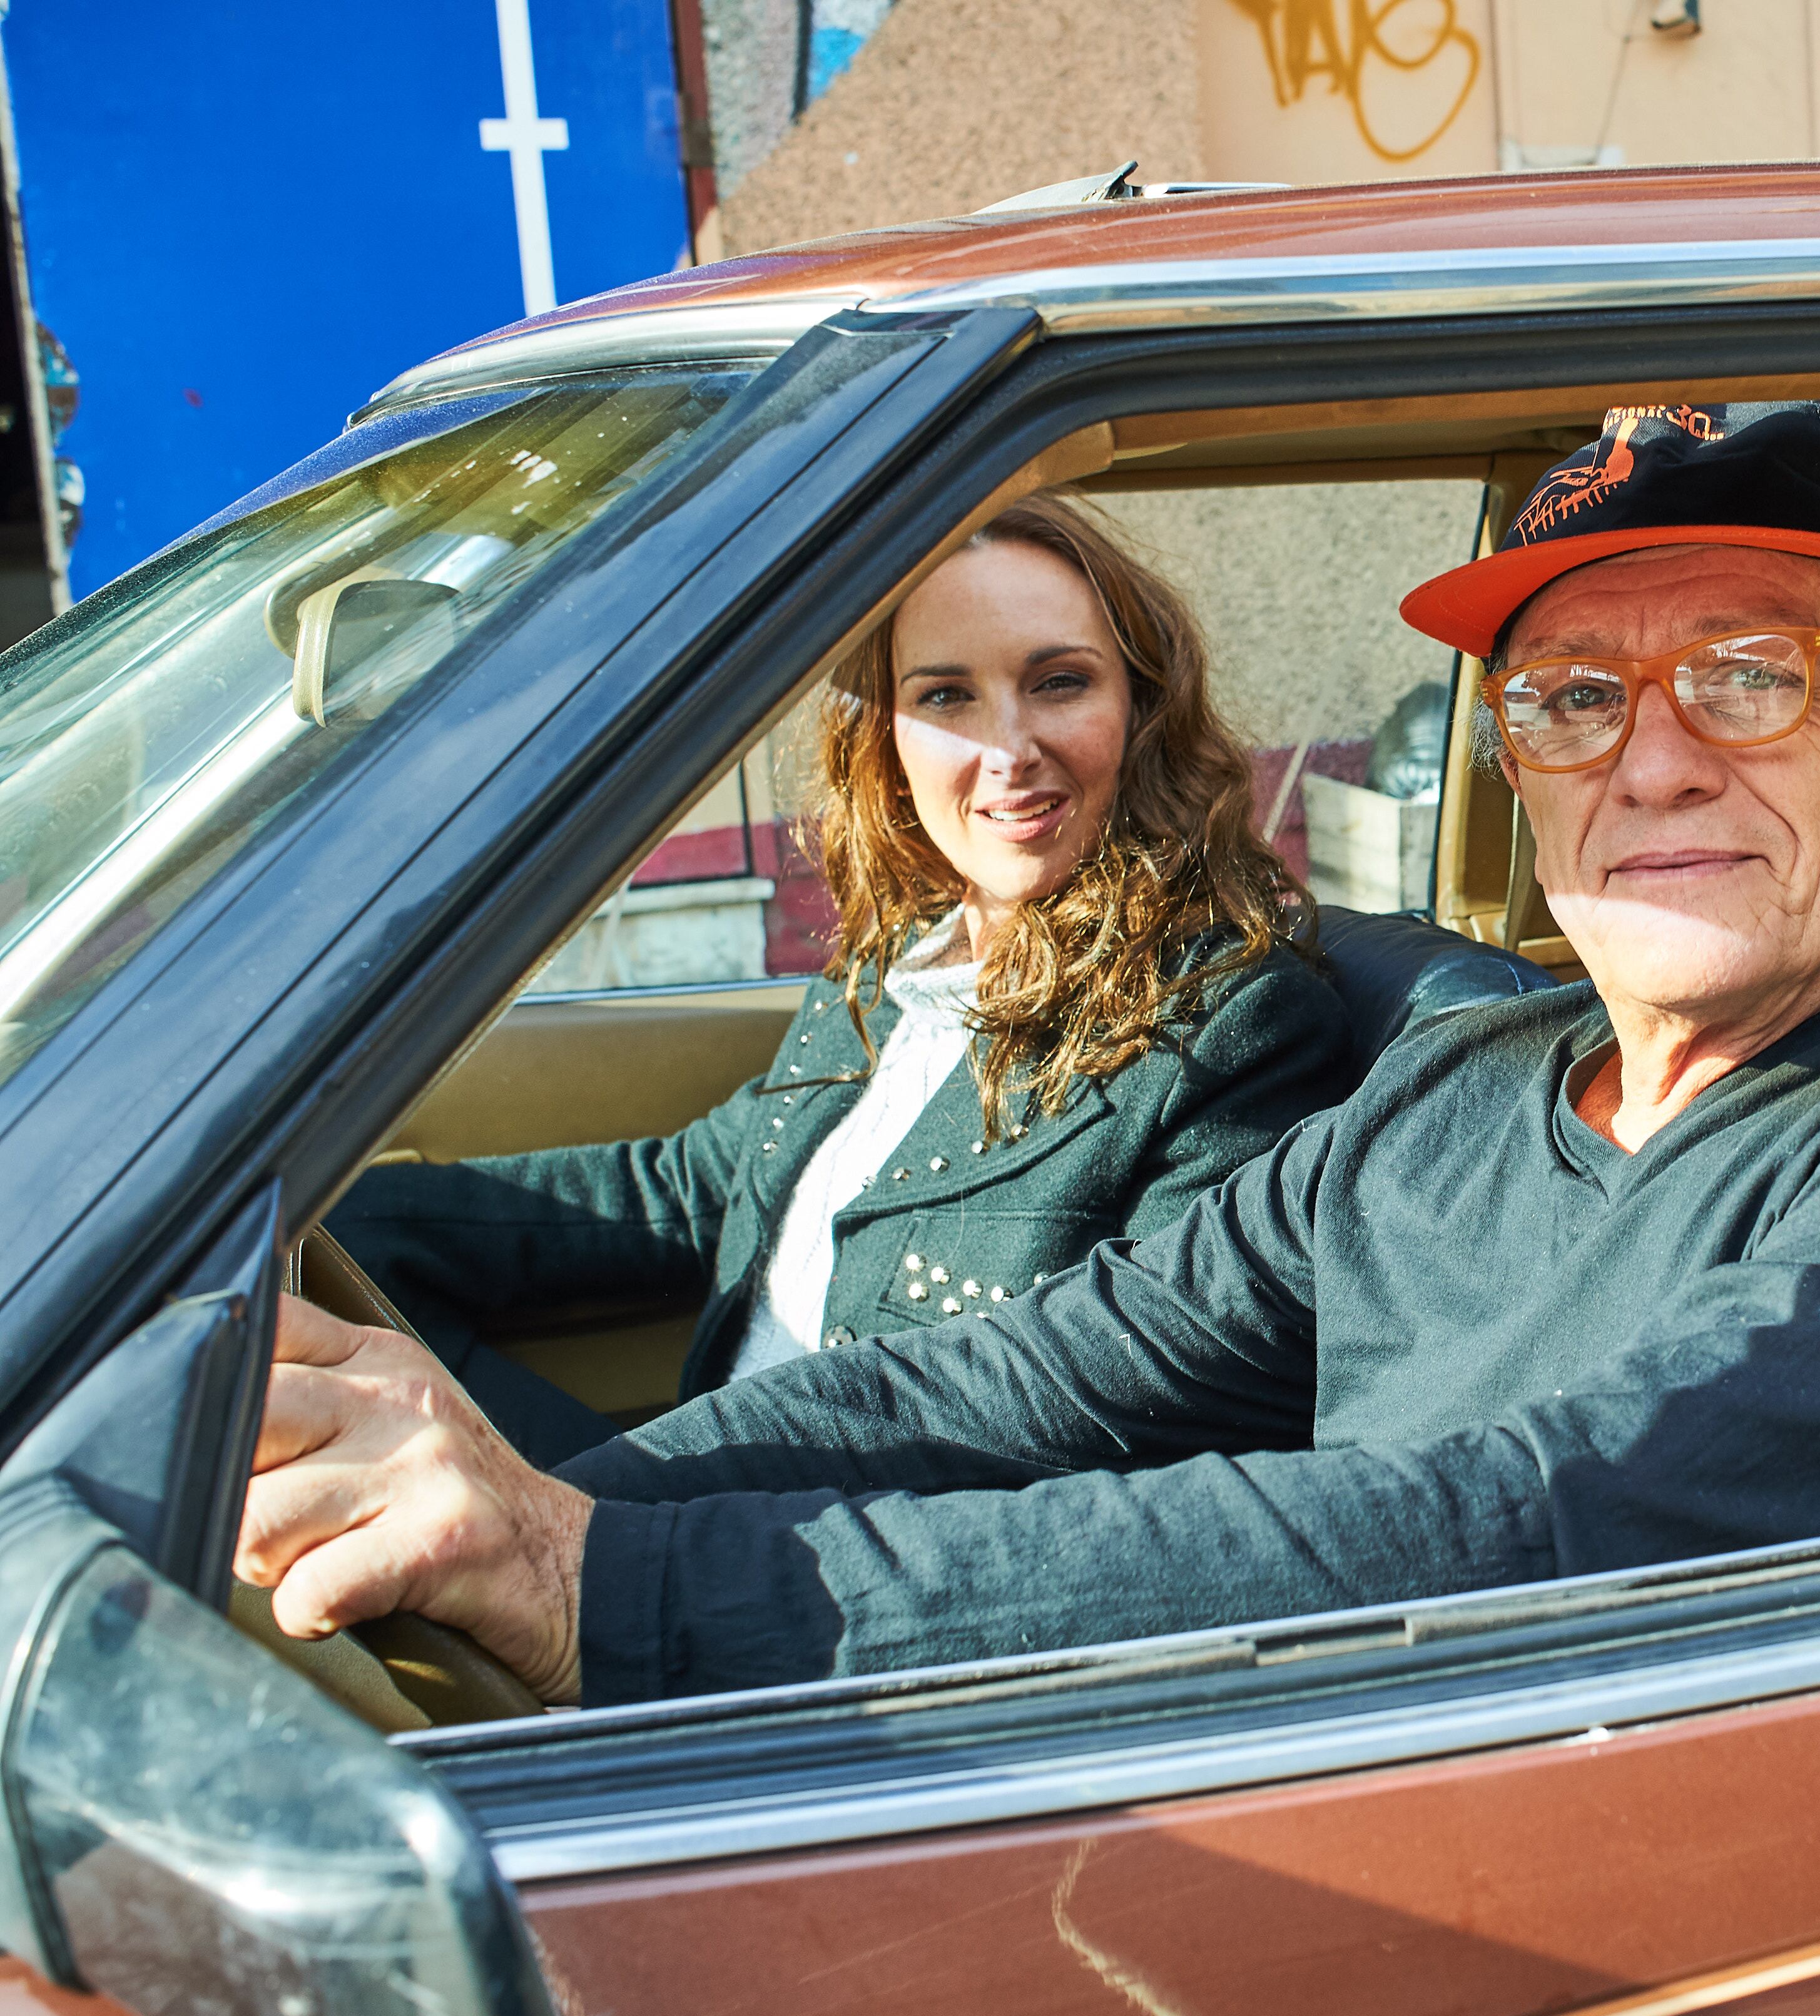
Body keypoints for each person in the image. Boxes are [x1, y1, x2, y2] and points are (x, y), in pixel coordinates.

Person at [239, 401, 1820, 1707]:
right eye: (1570, 698)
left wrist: (613, 1587)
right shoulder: (1468, 1089)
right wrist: (546, 1508)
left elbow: (1522, 1530)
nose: (1650, 759)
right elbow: (1033, 1377)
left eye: (1747, 675)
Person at [324, 493, 1350, 1464]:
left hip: (820, 1552)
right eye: (946, 696)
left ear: (1141, 708)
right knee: (338, 1299)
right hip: (679, 1489)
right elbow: (708, 1181)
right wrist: (322, 1215)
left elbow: (1129, 1414)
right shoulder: (896, 963)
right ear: (889, 741)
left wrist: (605, 1511)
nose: (1008, 749)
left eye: (1059, 682)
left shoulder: (1234, 1022)